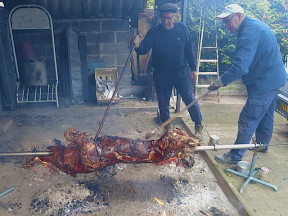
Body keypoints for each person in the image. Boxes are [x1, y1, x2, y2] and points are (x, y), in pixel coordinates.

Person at [208, 4, 287, 164]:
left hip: (264, 82)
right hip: (275, 79)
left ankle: (235, 156)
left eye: (228, 21)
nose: (226, 26)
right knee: (266, 115)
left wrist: (220, 82)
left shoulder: (249, 33)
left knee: (247, 118)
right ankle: (262, 144)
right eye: (224, 22)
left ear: (238, 15)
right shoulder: (253, 26)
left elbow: (240, 66)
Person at [133, 3, 203, 136]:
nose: (166, 21)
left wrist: (194, 68)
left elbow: (189, 50)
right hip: (161, 74)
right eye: (163, 18)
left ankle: (198, 125)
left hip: (181, 72)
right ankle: (168, 130)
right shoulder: (154, 31)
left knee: (189, 98)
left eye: (169, 18)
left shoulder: (182, 29)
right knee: (163, 103)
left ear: (175, 17)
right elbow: (143, 49)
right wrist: (137, 45)